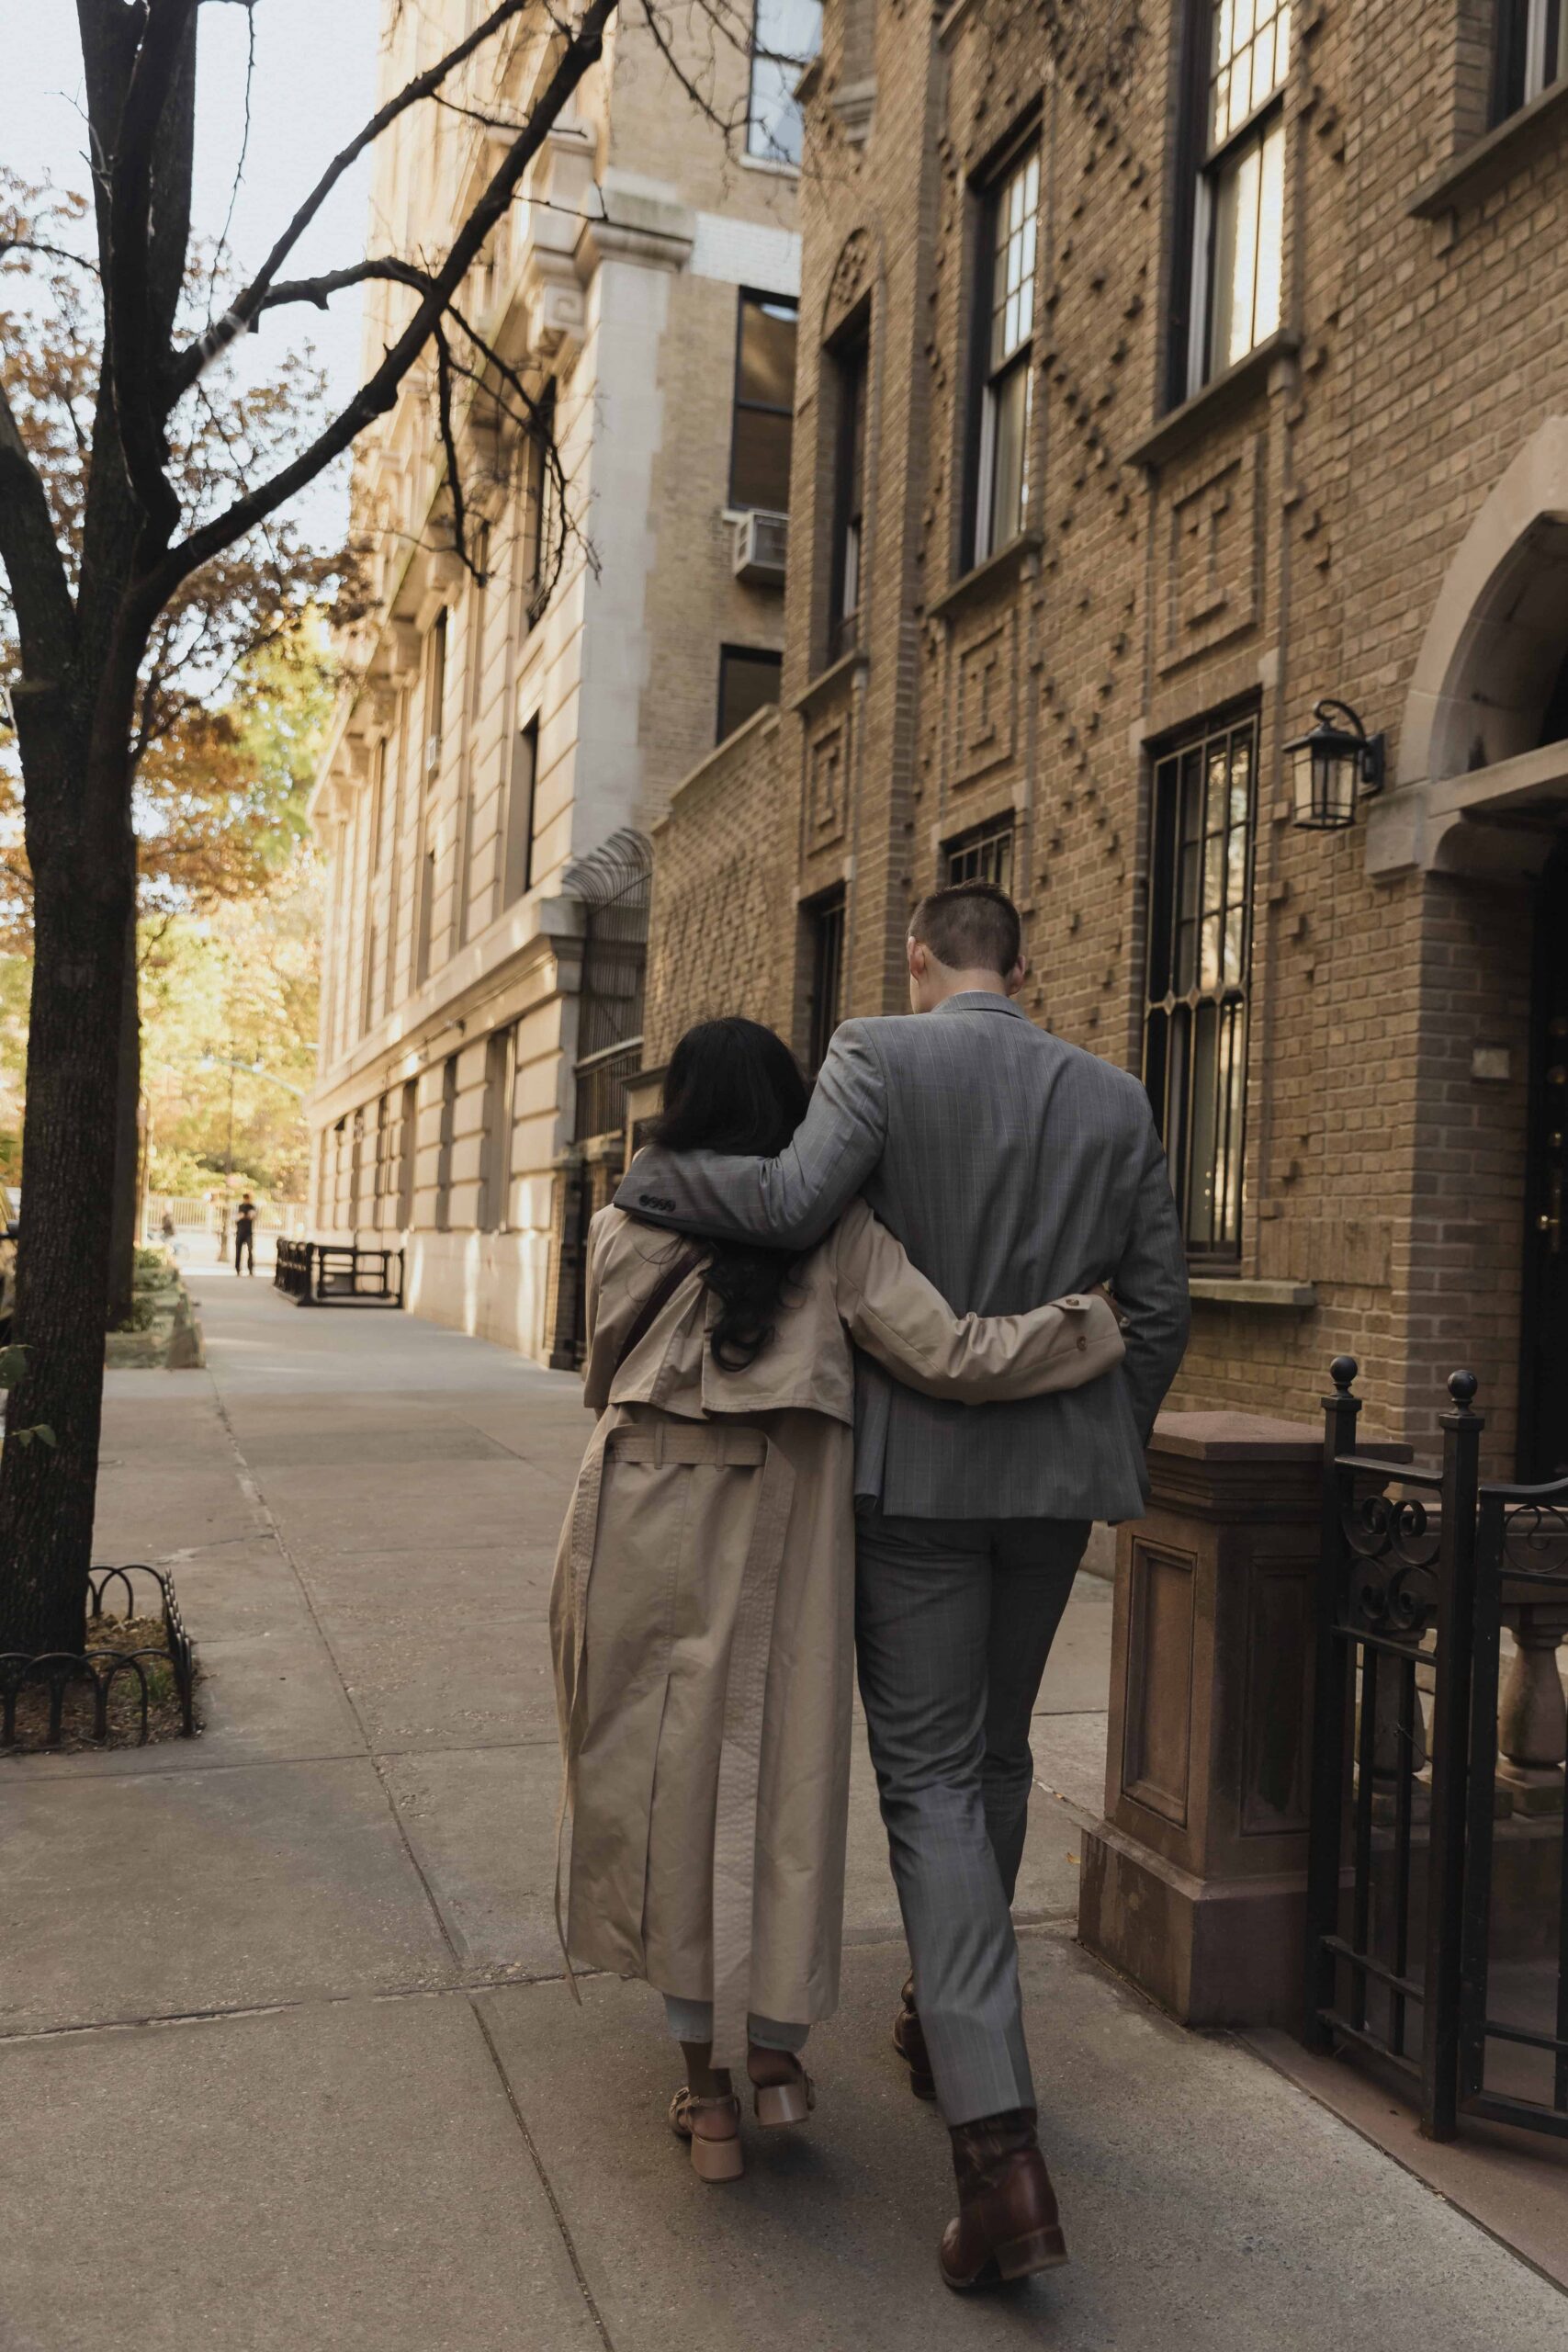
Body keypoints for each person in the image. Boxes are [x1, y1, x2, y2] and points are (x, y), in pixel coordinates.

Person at [615, 882, 1190, 2288]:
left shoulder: (876, 1051)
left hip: (919, 1490)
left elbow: (795, 1202)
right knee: (993, 1764)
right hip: (1058, 1488)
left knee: (929, 1781)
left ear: (919, 959)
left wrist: (655, 1176)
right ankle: (946, 2017)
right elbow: (1158, 1309)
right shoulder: (1114, 1096)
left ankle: (997, 2155)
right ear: (1021, 960)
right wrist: (1096, 1444)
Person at [551, 1017, 1125, 2192]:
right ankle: (773, 2061)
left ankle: (706, 2100)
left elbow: (596, 1373)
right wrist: (1090, 1323)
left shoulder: (623, 1219)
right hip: (785, 1528)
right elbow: (958, 1353)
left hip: (641, 1510)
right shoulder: (840, 1237)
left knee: (664, 1793)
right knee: (788, 1788)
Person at [234, 1193, 257, 1277]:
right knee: (238, 1252)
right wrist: (240, 1216)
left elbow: (253, 1216)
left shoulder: (252, 1207)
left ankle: (250, 1269)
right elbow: (236, 1217)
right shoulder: (239, 1207)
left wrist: (246, 1216)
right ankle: (237, 1269)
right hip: (240, 1232)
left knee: (250, 1250)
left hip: (248, 1233)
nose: (246, 1200)